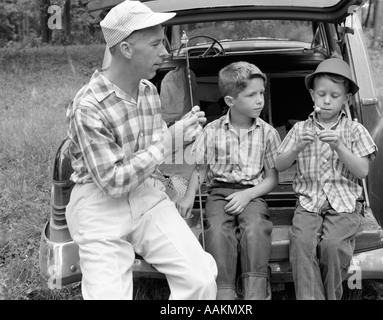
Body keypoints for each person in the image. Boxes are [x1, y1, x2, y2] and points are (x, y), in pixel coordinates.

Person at [65, 0, 217, 300]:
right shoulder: (88, 107)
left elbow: (158, 149)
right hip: (100, 204)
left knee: (200, 279)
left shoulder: (148, 90)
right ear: (126, 49)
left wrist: (183, 134)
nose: (166, 52)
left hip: (147, 194)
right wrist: (168, 142)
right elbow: (113, 182)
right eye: (157, 43)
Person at [274, 58, 378, 300]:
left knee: (332, 247)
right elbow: (279, 164)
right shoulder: (300, 129)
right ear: (312, 95)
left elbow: (362, 171)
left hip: (344, 205)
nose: (327, 100)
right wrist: (296, 147)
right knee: (301, 244)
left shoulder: (354, 130)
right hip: (309, 203)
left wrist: (340, 146)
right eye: (321, 94)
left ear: (347, 99)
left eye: (334, 95)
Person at [177, 61, 281, 300]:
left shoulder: (268, 133)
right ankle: (224, 291)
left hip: (253, 193)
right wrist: (189, 194)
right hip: (218, 193)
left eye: (262, 93)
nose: (259, 100)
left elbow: (272, 178)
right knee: (216, 231)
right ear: (230, 102)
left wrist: (248, 195)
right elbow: (200, 170)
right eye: (251, 94)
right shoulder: (211, 131)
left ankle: (255, 290)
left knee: (255, 228)